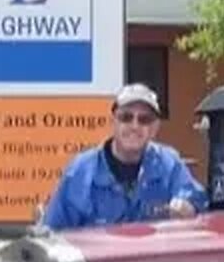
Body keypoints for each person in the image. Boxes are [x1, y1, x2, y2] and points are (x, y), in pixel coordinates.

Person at [39, 83, 208, 230]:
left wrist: (188, 207)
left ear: (155, 128)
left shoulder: (169, 164)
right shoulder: (80, 171)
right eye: (126, 117)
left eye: (144, 119)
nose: (135, 126)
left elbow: (197, 201)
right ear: (113, 121)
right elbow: (53, 234)